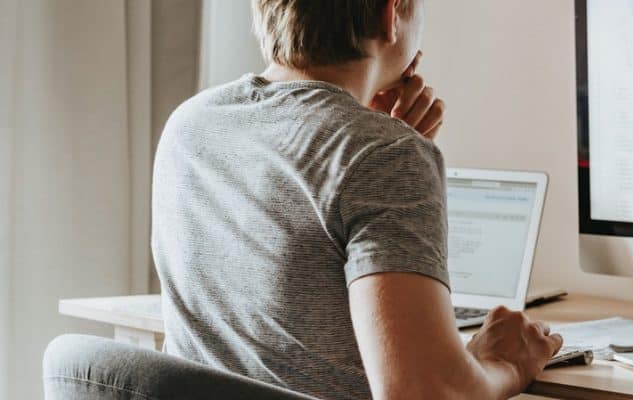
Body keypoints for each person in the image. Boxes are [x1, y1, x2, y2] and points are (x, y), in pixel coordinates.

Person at [145, 0, 561, 398]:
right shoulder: (384, 153)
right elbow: (424, 395)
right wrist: (503, 363)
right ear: (390, 13)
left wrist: (373, 129)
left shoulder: (190, 124)